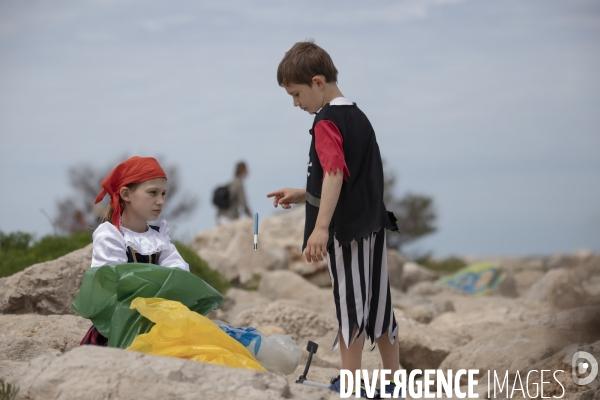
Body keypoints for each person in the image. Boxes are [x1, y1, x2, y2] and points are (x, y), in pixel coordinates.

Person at [266, 40, 400, 398]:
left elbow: (335, 173)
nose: (296, 104)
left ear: (318, 82)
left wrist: (320, 228)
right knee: (379, 305)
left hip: (347, 233)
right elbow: (352, 176)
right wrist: (302, 194)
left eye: (296, 94)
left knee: (350, 306)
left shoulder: (326, 121)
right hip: (373, 226)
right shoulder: (358, 116)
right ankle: (394, 380)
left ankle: (352, 384)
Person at [80, 156, 190, 346]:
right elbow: (112, 284)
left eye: (163, 194)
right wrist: (159, 284)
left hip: (156, 323)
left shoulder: (159, 237)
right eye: (153, 193)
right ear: (126, 194)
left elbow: (179, 273)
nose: (161, 201)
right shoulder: (111, 235)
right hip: (120, 327)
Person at [216, 161, 252, 225]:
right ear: (243, 171)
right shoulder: (238, 184)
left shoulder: (230, 183)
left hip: (221, 216)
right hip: (230, 217)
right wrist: (250, 216)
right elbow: (243, 202)